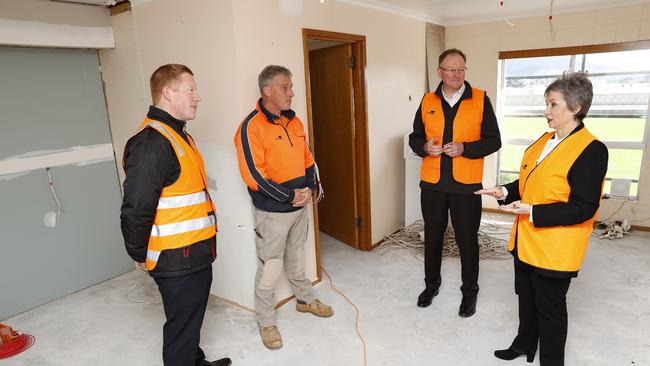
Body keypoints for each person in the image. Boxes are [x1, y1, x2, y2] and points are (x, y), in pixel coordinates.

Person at [476, 72, 608, 365]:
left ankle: (551, 361)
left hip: (554, 249)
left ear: (575, 108)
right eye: (546, 103)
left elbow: (584, 207)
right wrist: (503, 191)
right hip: (525, 241)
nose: (546, 111)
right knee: (525, 297)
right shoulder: (545, 140)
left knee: (550, 308)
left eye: (553, 104)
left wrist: (533, 212)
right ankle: (524, 344)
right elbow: (528, 184)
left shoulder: (591, 150)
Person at [120, 64, 231, 366]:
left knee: (189, 320)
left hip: (193, 252)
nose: (198, 97)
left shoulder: (178, 135)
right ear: (168, 92)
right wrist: (138, 253)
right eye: (191, 89)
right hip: (175, 258)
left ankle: (195, 361)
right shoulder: (152, 143)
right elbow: (135, 208)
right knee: (182, 327)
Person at [234, 65, 333, 350]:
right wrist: (290, 196)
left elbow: (307, 158)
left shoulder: (294, 121)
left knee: (297, 256)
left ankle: (304, 299)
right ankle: (266, 321)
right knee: (271, 267)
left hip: (300, 207)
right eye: (285, 87)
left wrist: (310, 188)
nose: (291, 93)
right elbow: (254, 176)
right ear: (267, 90)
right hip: (273, 212)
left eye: (291, 87)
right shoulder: (250, 127)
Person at [408, 48, 501, 317]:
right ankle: (431, 285)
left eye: (461, 68)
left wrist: (465, 148)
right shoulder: (427, 101)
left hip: (466, 186)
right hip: (433, 185)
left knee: (467, 241)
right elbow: (415, 138)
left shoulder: (481, 99)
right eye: (451, 69)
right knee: (433, 238)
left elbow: (494, 141)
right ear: (440, 72)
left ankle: (469, 293)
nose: (457, 74)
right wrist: (424, 146)